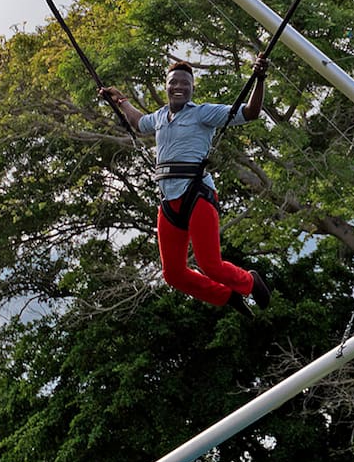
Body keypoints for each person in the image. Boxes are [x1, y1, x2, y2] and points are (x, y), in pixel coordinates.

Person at [100, 54, 271, 311]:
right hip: (168, 201)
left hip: (197, 194)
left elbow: (250, 112)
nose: (179, 87)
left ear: (192, 88)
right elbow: (138, 122)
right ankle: (227, 297)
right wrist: (120, 100)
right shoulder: (159, 117)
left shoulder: (204, 113)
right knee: (174, 274)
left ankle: (250, 281)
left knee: (209, 264)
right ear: (166, 86)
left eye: (185, 83)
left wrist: (259, 79)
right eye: (174, 83)